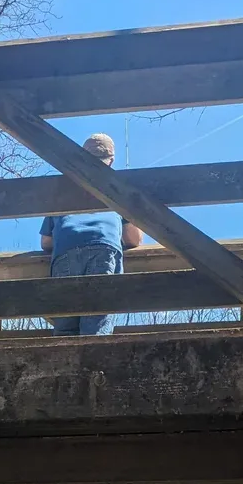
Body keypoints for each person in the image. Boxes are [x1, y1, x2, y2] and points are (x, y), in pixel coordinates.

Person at [39, 133, 143, 336]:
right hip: (103, 247)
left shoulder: (63, 189)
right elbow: (133, 240)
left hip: (66, 249)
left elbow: (46, 242)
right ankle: (94, 366)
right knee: (96, 325)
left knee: (65, 326)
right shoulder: (116, 187)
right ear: (111, 161)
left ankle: (64, 364)